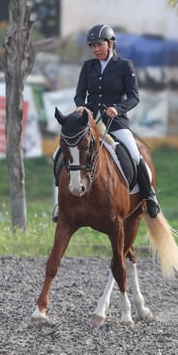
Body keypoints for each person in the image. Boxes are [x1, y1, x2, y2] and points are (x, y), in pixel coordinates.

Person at [53, 23, 161, 221]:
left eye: (99, 45)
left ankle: (149, 195)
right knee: (58, 153)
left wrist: (117, 109)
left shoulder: (125, 66)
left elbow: (134, 97)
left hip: (115, 122)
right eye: (92, 46)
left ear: (110, 43)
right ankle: (59, 204)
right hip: (90, 121)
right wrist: (81, 107)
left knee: (136, 156)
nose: (96, 49)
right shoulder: (88, 67)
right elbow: (79, 94)